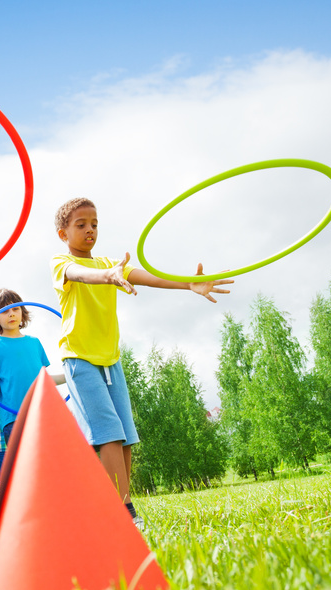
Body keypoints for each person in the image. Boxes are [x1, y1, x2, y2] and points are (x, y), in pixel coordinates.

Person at [52, 197, 233, 531]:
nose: (90, 230)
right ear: (64, 233)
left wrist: (188, 284)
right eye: (81, 225)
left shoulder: (110, 263)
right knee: (108, 434)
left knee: (126, 436)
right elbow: (79, 274)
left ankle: (121, 505)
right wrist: (106, 275)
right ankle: (123, 512)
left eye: (94, 223)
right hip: (78, 359)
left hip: (111, 359)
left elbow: (149, 277)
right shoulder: (61, 263)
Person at [0, 288, 66, 482]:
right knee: (27, 469)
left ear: (22, 312)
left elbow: (44, 378)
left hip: (44, 412)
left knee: (50, 466)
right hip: (14, 418)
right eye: (4, 311)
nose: (11, 314)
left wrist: (70, 376)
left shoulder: (34, 343)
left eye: (15, 309)